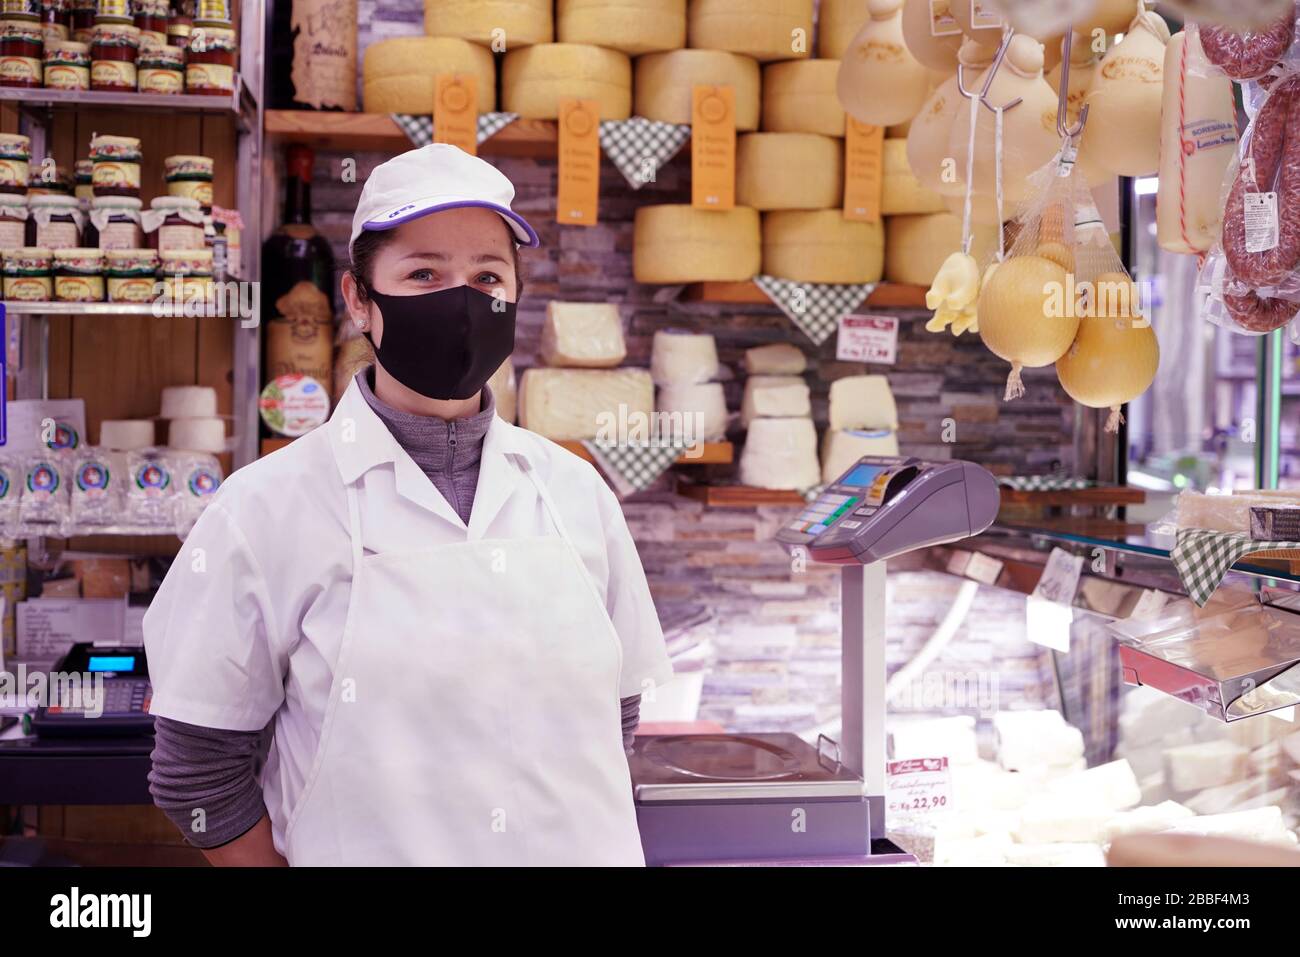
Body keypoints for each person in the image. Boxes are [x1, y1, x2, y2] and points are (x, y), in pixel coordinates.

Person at [143, 144, 674, 866]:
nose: (461, 301)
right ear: (358, 298)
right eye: (423, 273)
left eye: (487, 275)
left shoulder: (577, 494)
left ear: (516, 293)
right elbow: (197, 774)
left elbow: (612, 721)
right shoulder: (264, 509)